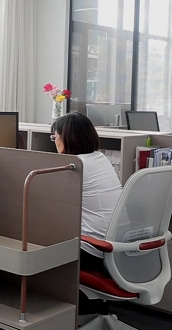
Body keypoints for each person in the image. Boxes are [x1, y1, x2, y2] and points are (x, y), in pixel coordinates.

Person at [50, 112, 122, 270]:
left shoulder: (76, 165)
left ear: (66, 138)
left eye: (55, 137)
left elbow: (50, 205)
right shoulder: (101, 158)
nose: (54, 141)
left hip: (94, 249)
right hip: (118, 247)